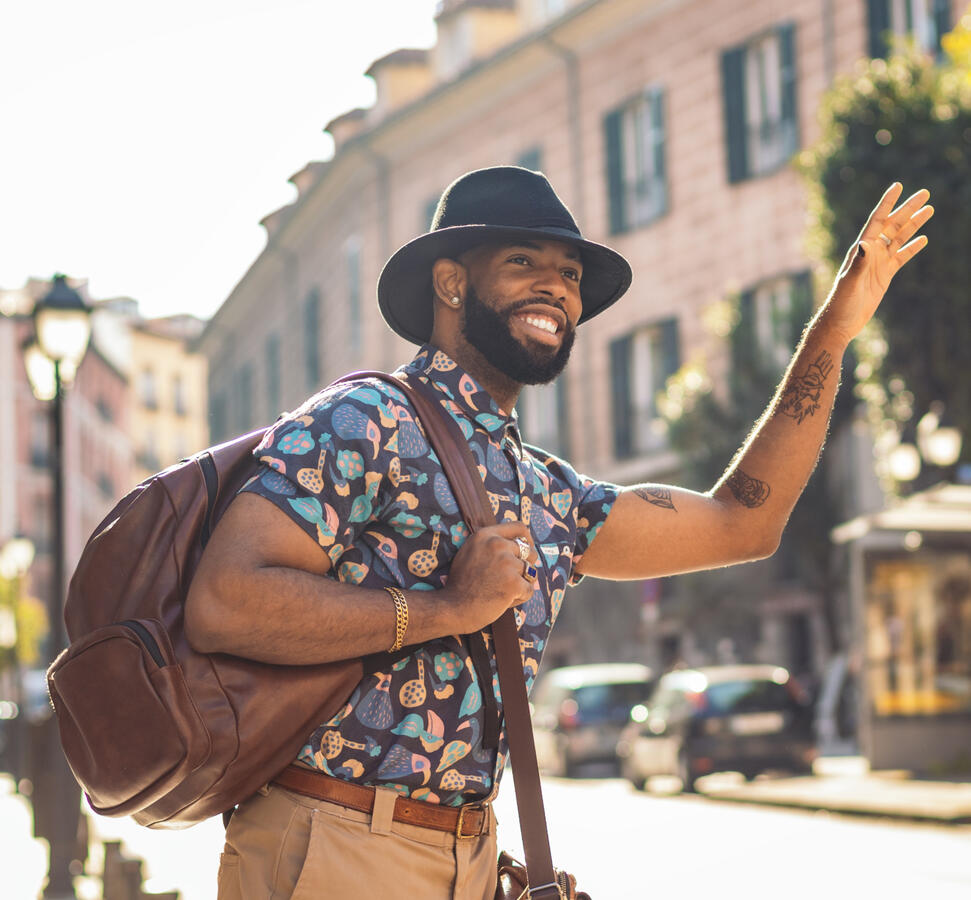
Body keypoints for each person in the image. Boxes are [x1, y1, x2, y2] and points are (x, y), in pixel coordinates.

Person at [184, 166, 932, 898]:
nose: (556, 288)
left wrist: (834, 329)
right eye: (522, 263)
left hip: (465, 854)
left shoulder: (545, 492)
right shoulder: (363, 420)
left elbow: (743, 522)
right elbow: (224, 602)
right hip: (333, 841)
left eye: (569, 273)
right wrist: (446, 609)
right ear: (450, 282)